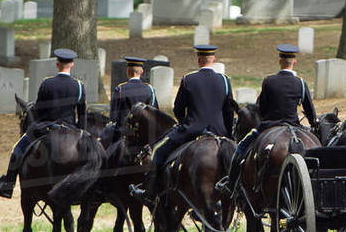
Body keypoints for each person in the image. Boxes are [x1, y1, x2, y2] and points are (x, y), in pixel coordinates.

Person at [135, 45, 236, 201]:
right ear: (213, 60)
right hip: (219, 131)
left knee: (158, 151)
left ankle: (150, 192)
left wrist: (184, 123)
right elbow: (229, 111)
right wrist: (227, 133)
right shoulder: (224, 80)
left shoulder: (188, 79)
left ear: (199, 60)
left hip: (191, 129)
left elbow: (178, 108)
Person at [218, 44, 317, 195]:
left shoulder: (269, 81)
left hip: (270, 125)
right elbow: (310, 110)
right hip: (295, 125)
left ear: (280, 61)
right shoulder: (301, 83)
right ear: (294, 62)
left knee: (240, 148)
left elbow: (262, 108)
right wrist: (312, 124)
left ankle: (231, 185)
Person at [0, 48, 86, 198]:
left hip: (47, 127)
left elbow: (39, 110)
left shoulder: (47, 83)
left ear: (57, 64)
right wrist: (82, 132)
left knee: (17, 148)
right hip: (70, 129)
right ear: (72, 65)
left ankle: (8, 184)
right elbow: (82, 114)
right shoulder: (79, 86)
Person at [104, 56, 157, 147]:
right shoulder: (149, 89)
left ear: (128, 71)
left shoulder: (120, 89)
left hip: (123, 134)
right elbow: (154, 114)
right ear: (141, 72)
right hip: (144, 135)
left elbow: (113, 117)